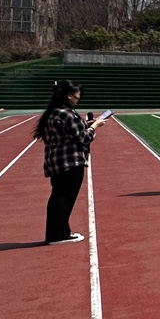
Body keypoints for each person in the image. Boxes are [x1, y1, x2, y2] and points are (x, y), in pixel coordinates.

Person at [35, 79, 101, 244]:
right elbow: (83, 137)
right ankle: (59, 234)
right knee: (64, 198)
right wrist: (94, 127)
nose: (78, 99)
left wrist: (87, 124)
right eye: (77, 96)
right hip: (70, 161)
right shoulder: (66, 113)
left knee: (59, 196)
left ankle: (59, 232)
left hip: (56, 161)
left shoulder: (54, 112)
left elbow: (70, 131)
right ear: (69, 95)